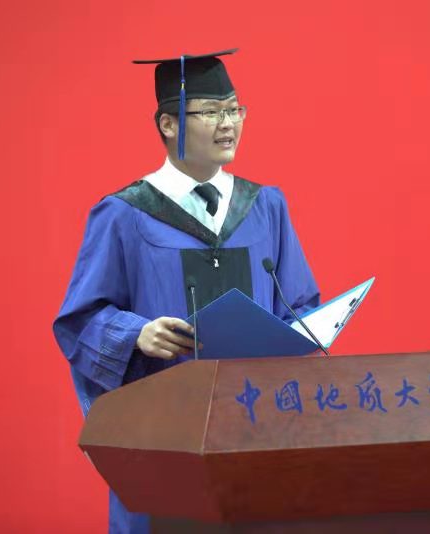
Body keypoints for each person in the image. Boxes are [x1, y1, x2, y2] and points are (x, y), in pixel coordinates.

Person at [53, 49, 319, 533]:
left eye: (234, 110)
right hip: (163, 433)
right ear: (168, 123)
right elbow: (81, 319)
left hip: (252, 430)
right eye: (211, 112)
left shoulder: (265, 206)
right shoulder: (124, 213)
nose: (228, 124)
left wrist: (305, 331)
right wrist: (136, 333)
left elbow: (299, 305)